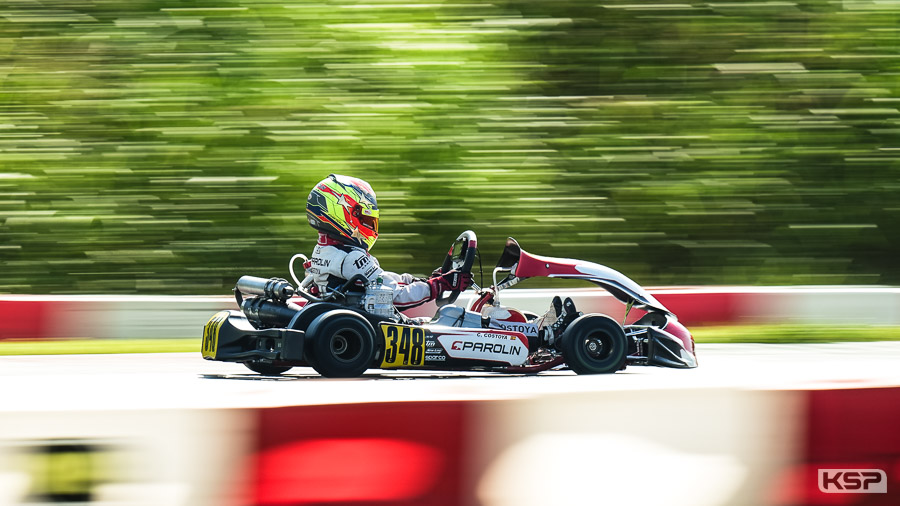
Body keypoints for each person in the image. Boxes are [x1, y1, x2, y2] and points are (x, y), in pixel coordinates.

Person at [304, 174, 472, 310]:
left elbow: (380, 279)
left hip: (350, 317)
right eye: (364, 219)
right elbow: (396, 297)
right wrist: (440, 285)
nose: (369, 225)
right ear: (342, 214)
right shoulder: (350, 258)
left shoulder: (326, 250)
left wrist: (424, 281)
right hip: (367, 327)